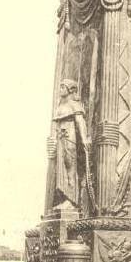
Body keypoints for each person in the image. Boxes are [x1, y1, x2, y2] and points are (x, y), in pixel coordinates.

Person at [46, 78, 91, 211]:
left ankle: (72, 200)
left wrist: (84, 139)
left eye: (63, 87)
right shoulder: (60, 107)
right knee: (62, 171)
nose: (60, 90)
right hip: (60, 140)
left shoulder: (74, 105)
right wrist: (52, 140)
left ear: (70, 90)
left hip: (69, 140)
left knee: (70, 169)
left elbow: (80, 122)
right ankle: (65, 198)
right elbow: (56, 126)